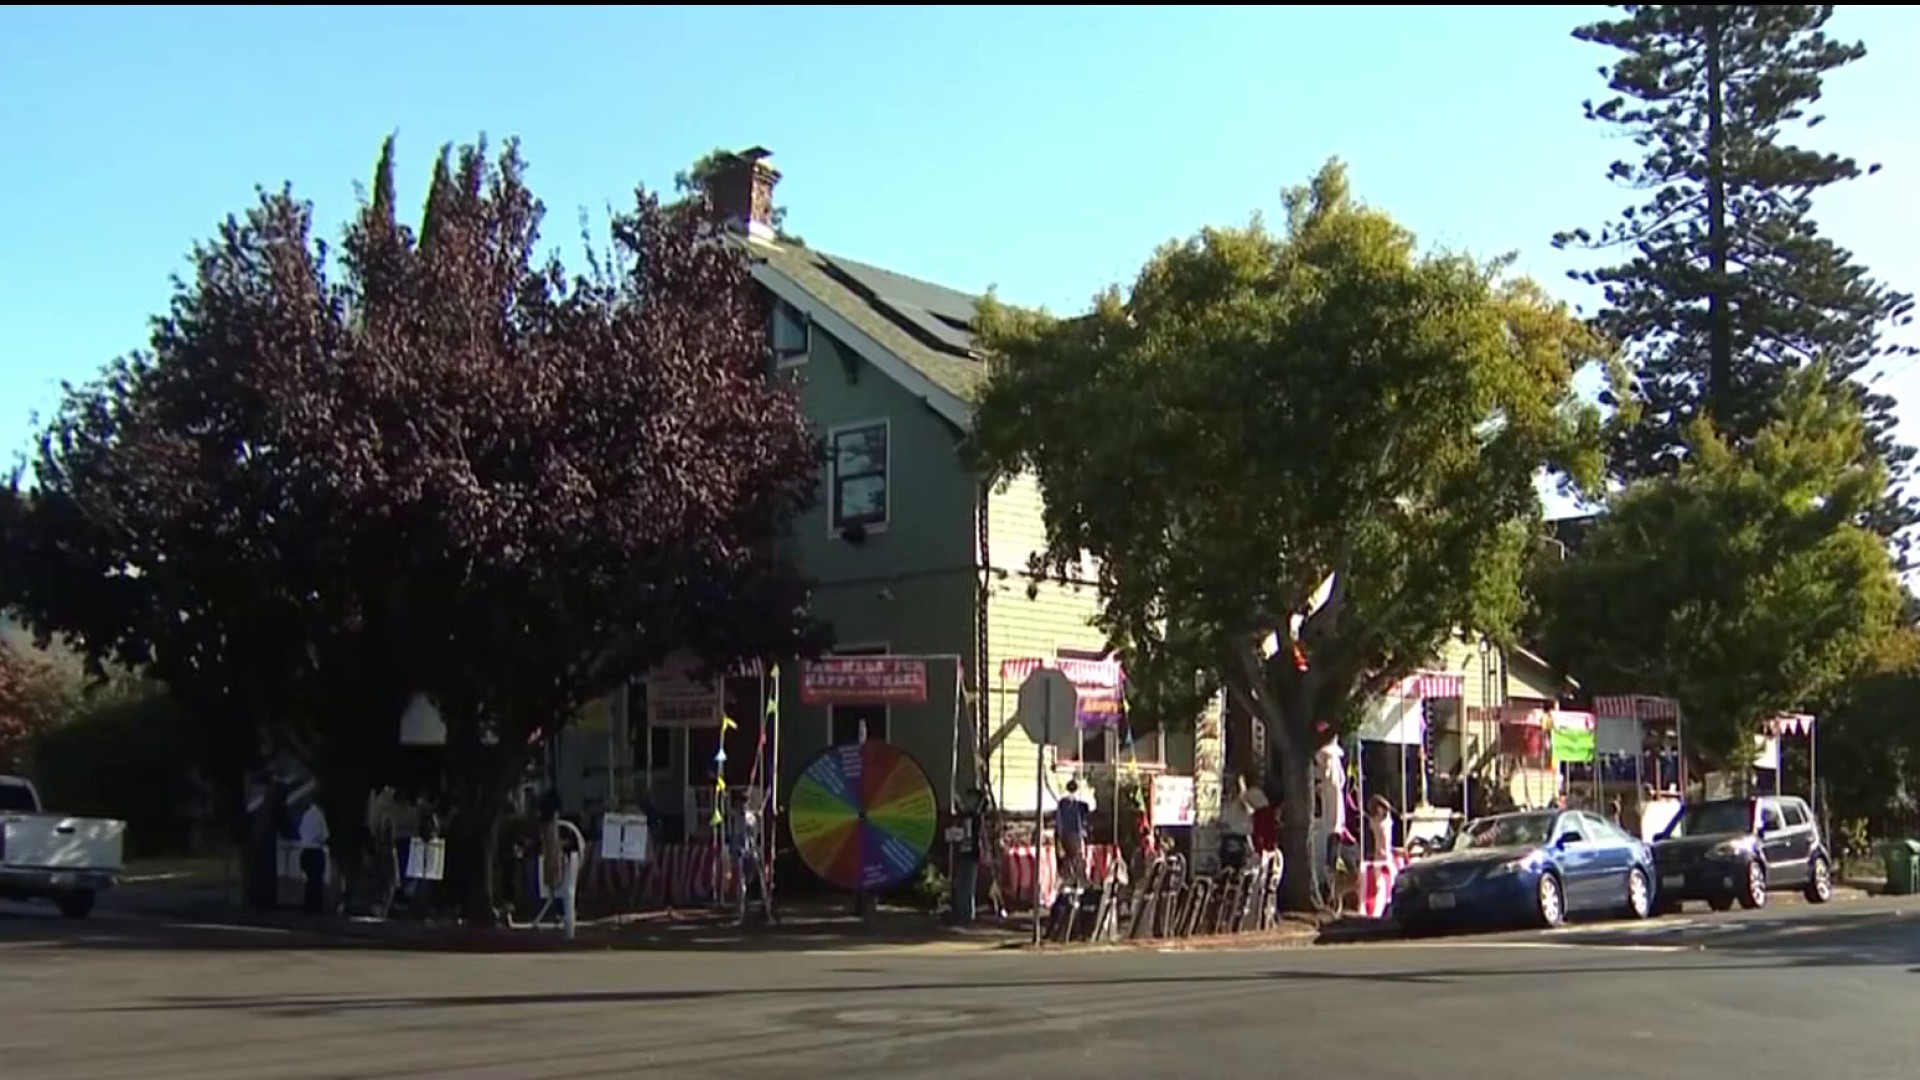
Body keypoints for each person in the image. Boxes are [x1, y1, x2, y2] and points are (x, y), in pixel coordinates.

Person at [950, 788, 986, 923]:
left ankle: (968, 913)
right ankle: (960, 911)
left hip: (971, 855)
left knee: (968, 885)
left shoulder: (976, 817)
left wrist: (982, 796)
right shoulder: (963, 817)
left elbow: (981, 807)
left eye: (972, 799)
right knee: (960, 883)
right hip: (962, 854)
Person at [296, 797, 330, 915]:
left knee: (309, 880)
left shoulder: (305, 815)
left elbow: (300, 832)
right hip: (316, 850)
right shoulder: (320, 815)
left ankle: (307, 905)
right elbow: (325, 834)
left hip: (305, 850)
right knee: (316, 881)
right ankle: (316, 907)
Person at [1055, 780, 1090, 889]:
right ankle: (1077, 879)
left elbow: (1059, 819)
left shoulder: (1063, 803)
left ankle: (1069, 879)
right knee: (1076, 857)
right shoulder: (1077, 804)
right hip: (1074, 833)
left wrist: (1059, 833)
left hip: (1066, 832)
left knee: (1069, 857)